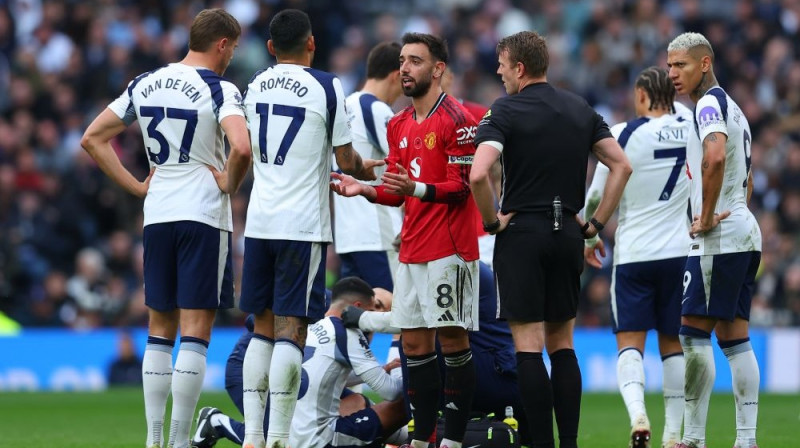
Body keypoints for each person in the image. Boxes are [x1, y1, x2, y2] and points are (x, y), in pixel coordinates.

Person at [80, 9, 251, 448]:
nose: (231, 56)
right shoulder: (218, 87)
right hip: (202, 215)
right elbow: (242, 147)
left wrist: (138, 187)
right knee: (196, 330)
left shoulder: (146, 82)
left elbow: (92, 138)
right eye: (232, 48)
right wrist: (229, 182)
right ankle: (179, 440)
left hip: (157, 215)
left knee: (160, 330)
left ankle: (153, 439)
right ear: (222, 44)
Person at [470, 30, 632, 448]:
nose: (499, 71)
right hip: (567, 235)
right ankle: (570, 443)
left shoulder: (504, 110)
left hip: (522, 233)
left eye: (503, 64)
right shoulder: (580, 108)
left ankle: (540, 444)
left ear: (520, 68)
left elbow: (478, 173)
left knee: (528, 346)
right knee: (563, 345)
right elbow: (621, 165)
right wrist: (593, 226)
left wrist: (491, 222)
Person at [238, 10, 383, 448]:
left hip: (260, 221)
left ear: (269, 48)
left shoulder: (254, 84)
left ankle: (254, 435)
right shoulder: (327, 86)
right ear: (312, 44)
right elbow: (345, 159)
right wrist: (364, 168)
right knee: (293, 327)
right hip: (302, 224)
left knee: (261, 325)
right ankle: (281, 436)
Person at [331, 32, 480, 448]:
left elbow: (461, 188)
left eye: (415, 60)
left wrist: (414, 189)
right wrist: (365, 189)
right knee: (414, 342)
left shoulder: (458, 121)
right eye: (402, 60)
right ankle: (422, 437)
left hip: (450, 247)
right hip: (412, 247)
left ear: (437, 70)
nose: (405, 68)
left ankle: (450, 441)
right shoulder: (396, 123)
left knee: (452, 340)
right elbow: (396, 187)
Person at [583, 67, 692, 448]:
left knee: (630, 343)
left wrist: (590, 234)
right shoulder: (692, 124)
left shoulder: (622, 134)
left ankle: (637, 416)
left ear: (642, 96)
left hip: (634, 254)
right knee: (674, 343)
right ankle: (674, 434)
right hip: (680, 252)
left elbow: (597, 195)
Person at [667, 32, 762, 448]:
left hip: (719, 235)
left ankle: (693, 439)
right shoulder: (735, 108)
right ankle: (745, 440)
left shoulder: (708, 105)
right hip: (744, 228)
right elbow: (749, 179)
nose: (672, 74)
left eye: (681, 65)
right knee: (735, 338)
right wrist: (732, 208)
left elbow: (716, 156)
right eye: (669, 66)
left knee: (692, 334)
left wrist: (705, 216)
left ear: (704, 63)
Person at [191, 280, 407, 448]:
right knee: (276, 435)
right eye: (377, 305)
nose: (378, 314)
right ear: (360, 302)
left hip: (295, 374)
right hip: (254, 366)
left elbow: (334, 376)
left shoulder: (352, 328)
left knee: (357, 403)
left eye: (385, 310)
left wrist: (382, 370)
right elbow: (254, 322)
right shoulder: (328, 309)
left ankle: (408, 437)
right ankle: (218, 422)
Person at [343, 261, 532, 447]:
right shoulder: (459, 265)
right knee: (420, 342)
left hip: (495, 375)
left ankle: (419, 434)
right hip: (499, 370)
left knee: (417, 340)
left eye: (380, 306)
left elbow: (393, 389)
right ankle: (423, 434)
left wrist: (364, 319)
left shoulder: (449, 266)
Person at [332, 41, 404, 291]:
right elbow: (406, 163)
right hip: (379, 234)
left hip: (347, 235)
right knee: (401, 315)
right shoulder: (375, 108)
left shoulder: (343, 106)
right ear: (396, 76)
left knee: (357, 319)